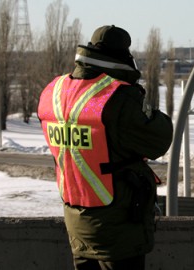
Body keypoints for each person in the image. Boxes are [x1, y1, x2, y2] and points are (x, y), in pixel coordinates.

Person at [38, 25, 173, 270]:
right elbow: (160, 139)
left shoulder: (54, 92)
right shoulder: (117, 97)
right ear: (123, 57)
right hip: (119, 225)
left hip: (77, 220)